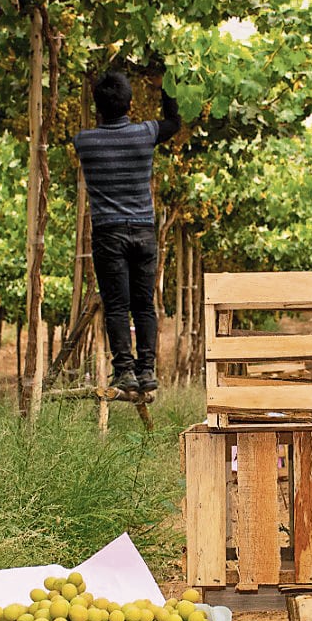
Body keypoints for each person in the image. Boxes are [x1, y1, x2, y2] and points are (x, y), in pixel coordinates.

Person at [72, 71, 181, 394]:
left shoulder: (84, 142)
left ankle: (124, 371)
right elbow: (173, 123)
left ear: (97, 108)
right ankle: (147, 370)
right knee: (144, 304)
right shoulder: (145, 134)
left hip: (108, 233)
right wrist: (165, 85)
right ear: (130, 103)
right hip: (144, 231)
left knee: (117, 305)